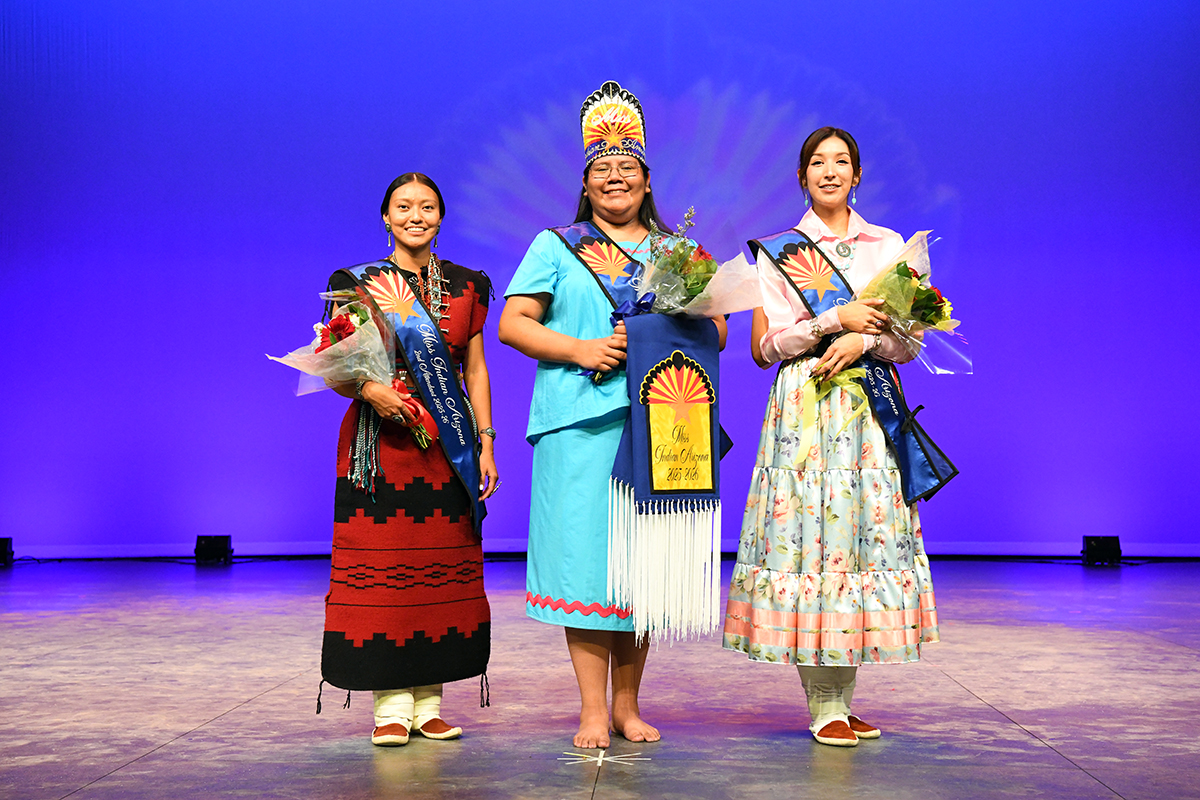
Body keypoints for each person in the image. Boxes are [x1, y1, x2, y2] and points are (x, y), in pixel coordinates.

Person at [499, 81, 726, 749]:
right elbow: (513, 323)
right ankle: (592, 710)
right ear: (586, 182)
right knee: (587, 567)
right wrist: (583, 349)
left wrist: (678, 326)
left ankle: (628, 706)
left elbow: (715, 329)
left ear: (647, 181)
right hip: (579, 425)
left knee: (641, 567)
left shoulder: (676, 253)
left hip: (660, 425)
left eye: (628, 167)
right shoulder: (555, 245)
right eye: (603, 168)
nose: (615, 177)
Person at [722, 127, 939, 747]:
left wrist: (863, 339)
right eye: (817, 162)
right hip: (806, 406)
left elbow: (910, 341)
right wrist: (830, 321)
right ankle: (823, 704)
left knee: (856, 542)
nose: (830, 171)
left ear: (857, 175)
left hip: (868, 408)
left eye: (842, 161)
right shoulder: (776, 253)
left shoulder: (889, 246)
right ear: (802, 177)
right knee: (810, 543)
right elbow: (765, 348)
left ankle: (842, 699)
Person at [321, 172, 499, 747]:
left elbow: (474, 368)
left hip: (449, 447)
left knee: (440, 571)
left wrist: (486, 441)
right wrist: (368, 389)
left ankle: (429, 705)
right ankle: (391, 708)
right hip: (380, 448)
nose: (415, 216)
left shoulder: (470, 286)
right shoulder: (355, 282)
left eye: (426, 206)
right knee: (387, 573)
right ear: (386, 216)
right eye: (403, 206)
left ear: (440, 216)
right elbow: (335, 363)